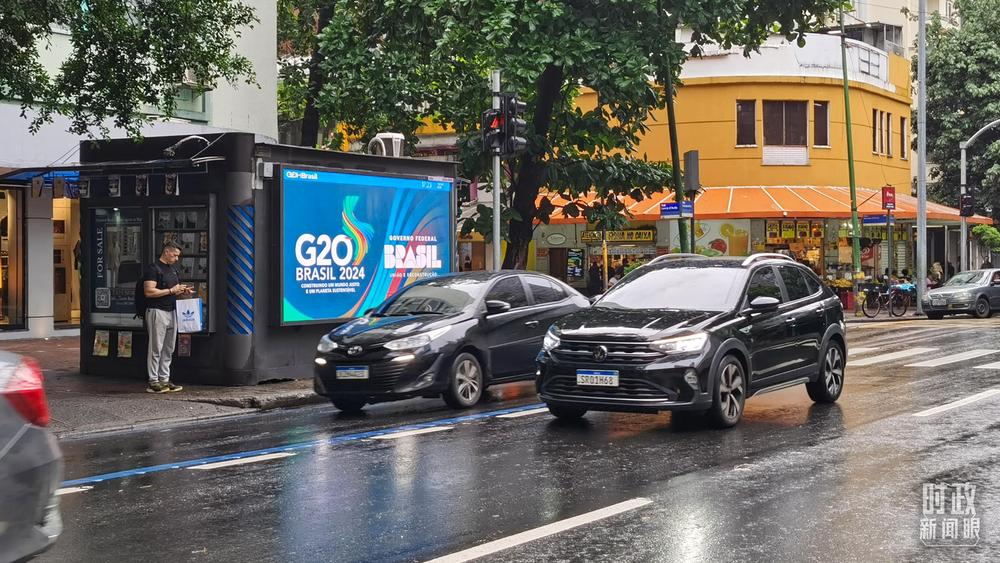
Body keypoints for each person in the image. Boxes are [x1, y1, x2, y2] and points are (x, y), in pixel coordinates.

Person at [143, 241, 192, 393]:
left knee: (169, 348)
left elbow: (173, 291)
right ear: (166, 252)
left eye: (178, 256)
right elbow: (149, 292)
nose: (177, 259)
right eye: (175, 255)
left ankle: (164, 379)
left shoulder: (173, 270)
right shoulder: (153, 269)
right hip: (157, 311)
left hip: (172, 311)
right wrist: (171, 291)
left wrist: (182, 291)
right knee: (156, 348)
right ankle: (153, 381)